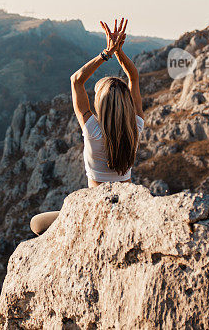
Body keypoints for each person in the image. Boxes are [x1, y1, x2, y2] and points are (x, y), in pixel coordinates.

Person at [30, 17, 145, 235]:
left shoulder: (93, 130)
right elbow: (134, 77)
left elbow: (76, 80)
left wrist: (107, 53)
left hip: (96, 211)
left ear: (99, 104)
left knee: (37, 223)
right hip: (127, 209)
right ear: (127, 103)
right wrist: (119, 53)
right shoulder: (136, 127)